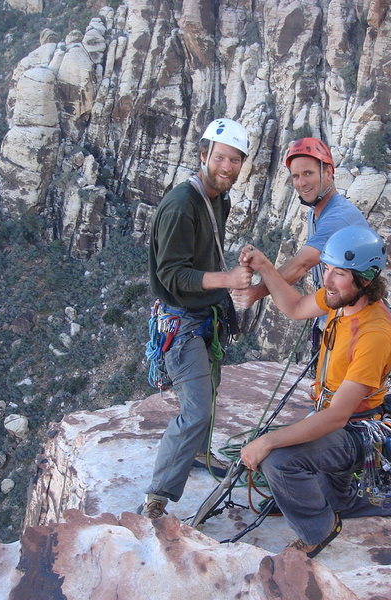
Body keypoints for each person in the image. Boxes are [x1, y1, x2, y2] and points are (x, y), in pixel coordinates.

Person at [238, 225, 391, 558]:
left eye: (339, 272)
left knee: (279, 461)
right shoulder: (343, 298)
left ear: (365, 279)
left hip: (356, 430)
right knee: (340, 500)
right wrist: (266, 267)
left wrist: (267, 441)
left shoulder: (374, 333)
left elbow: (338, 417)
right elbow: (295, 307)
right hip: (339, 421)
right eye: (327, 268)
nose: (327, 280)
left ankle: (317, 531)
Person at [139, 118, 254, 519]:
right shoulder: (180, 205)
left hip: (205, 314)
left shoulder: (216, 197)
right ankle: (156, 497)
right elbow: (171, 273)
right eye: (221, 158)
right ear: (203, 154)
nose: (227, 167)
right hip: (181, 321)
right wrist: (226, 279)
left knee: (211, 392)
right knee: (197, 409)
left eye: (236, 160)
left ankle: (198, 454)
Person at [231, 137, 368, 312]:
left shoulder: (339, 218)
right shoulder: (316, 212)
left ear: (328, 173)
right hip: (335, 315)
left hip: (354, 322)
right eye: (296, 176)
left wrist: (255, 292)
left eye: (308, 173)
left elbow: (301, 265)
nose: (301, 183)